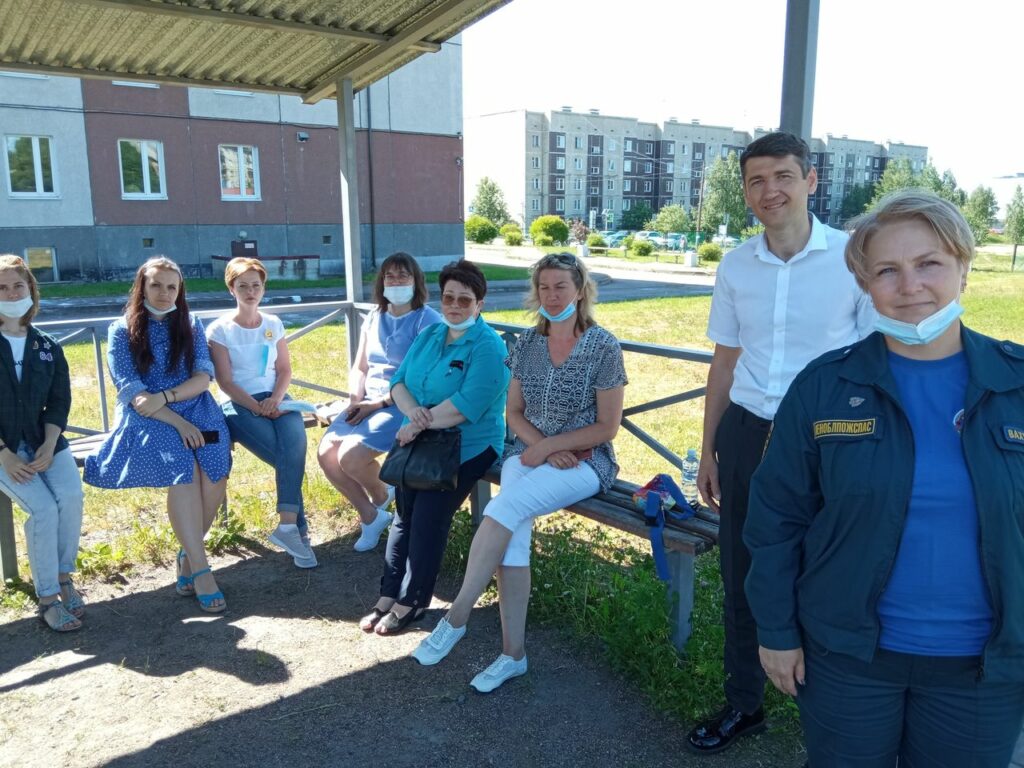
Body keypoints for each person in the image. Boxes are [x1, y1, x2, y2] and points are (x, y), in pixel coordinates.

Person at [745, 189, 1024, 767]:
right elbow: (776, 519)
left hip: (983, 672)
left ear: (964, 269)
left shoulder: (1017, 385)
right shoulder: (824, 386)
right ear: (865, 285)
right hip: (847, 659)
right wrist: (776, 630)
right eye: (887, 270)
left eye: (929, 263)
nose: (910, 285)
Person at [688, 131, 876, 754]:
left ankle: (833, 709)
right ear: (745, 192)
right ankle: (745, 704)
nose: (770, 191)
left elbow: (876, 360)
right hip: (747, 432)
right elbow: (724, 362)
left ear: (810, 181)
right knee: (743, 574)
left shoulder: (853, 258)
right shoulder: (736, 264)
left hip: (829, 441)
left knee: (832, 576)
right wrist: (709, 450)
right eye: (756, 181)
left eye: (783, 176)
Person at [410, 252, 627, 693]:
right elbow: (514, 412)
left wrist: (552, 447)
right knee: (513, 539)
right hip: (526, 453)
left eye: (560, 287)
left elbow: (608, 426)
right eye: (543, 287)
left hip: (585, 461)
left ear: (579, 291)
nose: (551, 296)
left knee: (503, 510)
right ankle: (513, 655)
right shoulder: (527, 343)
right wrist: (541, 447)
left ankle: (456, 618)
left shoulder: (603, 346)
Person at [360, 259, 509, 636]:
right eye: (448, 298)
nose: (455, 306)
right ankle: (388, 594)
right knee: (403, 515)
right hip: (421, 438)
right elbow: (398, 382)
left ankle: (413, 601)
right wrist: (413, 416)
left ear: (479, 304)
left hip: (467, 444)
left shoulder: (489, 347)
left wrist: (415, 424)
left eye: (465, 299)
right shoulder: (430, 335)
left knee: (428, 517)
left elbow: (466, 405)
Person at [84, 257, 231, 613]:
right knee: (183, 468)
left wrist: (168, 397)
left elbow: (203, 377)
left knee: (216, 470)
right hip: (148, 417)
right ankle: (201, 569)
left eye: (171, 287)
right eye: (156, 285)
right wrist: (177, 422)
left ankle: (187, 554)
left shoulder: (191, 324)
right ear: (142, 287)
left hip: (194, 406)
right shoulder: (121, 330)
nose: (164, 293)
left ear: (180, 291)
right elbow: (135, 395)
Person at [317, 252, 441, 552]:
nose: (396, 282)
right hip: (367, 402)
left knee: (350, 456)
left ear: (416, 281)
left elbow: (420, 378)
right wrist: (354, 400)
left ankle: (383, 494)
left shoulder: (427, 320)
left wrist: (377, 405)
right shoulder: (374, 316)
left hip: (401, 404)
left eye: (403, 276)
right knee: (326, 453)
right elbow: (360, 367)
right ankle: (372, 516)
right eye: (390, 276)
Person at [206, 257, 316, 568]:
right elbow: (226, 382)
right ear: (231, 289)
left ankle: (288, 529)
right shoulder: (219, 330)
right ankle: (299, 534)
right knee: (288, 459)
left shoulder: (272, 324)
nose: (250, 292)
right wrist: (258, 408)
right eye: (243, 286)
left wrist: (276, 400)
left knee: (295, 448)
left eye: (256, 285)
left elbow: (284, 369)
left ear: (264, 288)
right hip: (239, 404)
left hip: (278, 399)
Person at [0, 255, 85, 632]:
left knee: (71, 496)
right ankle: (48, 598)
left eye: (18, 286)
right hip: (4, 451)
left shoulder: (46, 345)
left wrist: (50, 444)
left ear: (31, 291)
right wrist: (4, 454)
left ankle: (64, 577)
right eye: (2, 288)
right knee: (44, 510)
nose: (11, 294)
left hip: (43, 442)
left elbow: (59, 401)